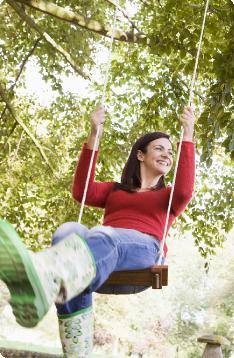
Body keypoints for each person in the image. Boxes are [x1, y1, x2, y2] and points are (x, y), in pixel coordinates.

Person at [0, 105, 195, 357]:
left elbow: (184, 191)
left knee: (106, 236)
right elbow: (81, 191)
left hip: (143, 254)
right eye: (159, 148)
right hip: (101, 261)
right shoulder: (116, 190)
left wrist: (187, 135)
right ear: (140, 155)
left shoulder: (168, 197)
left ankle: (42, 274)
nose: (167, 155)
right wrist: (94, 134)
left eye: (170, 152)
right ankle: (76, 350)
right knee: (68, 231)